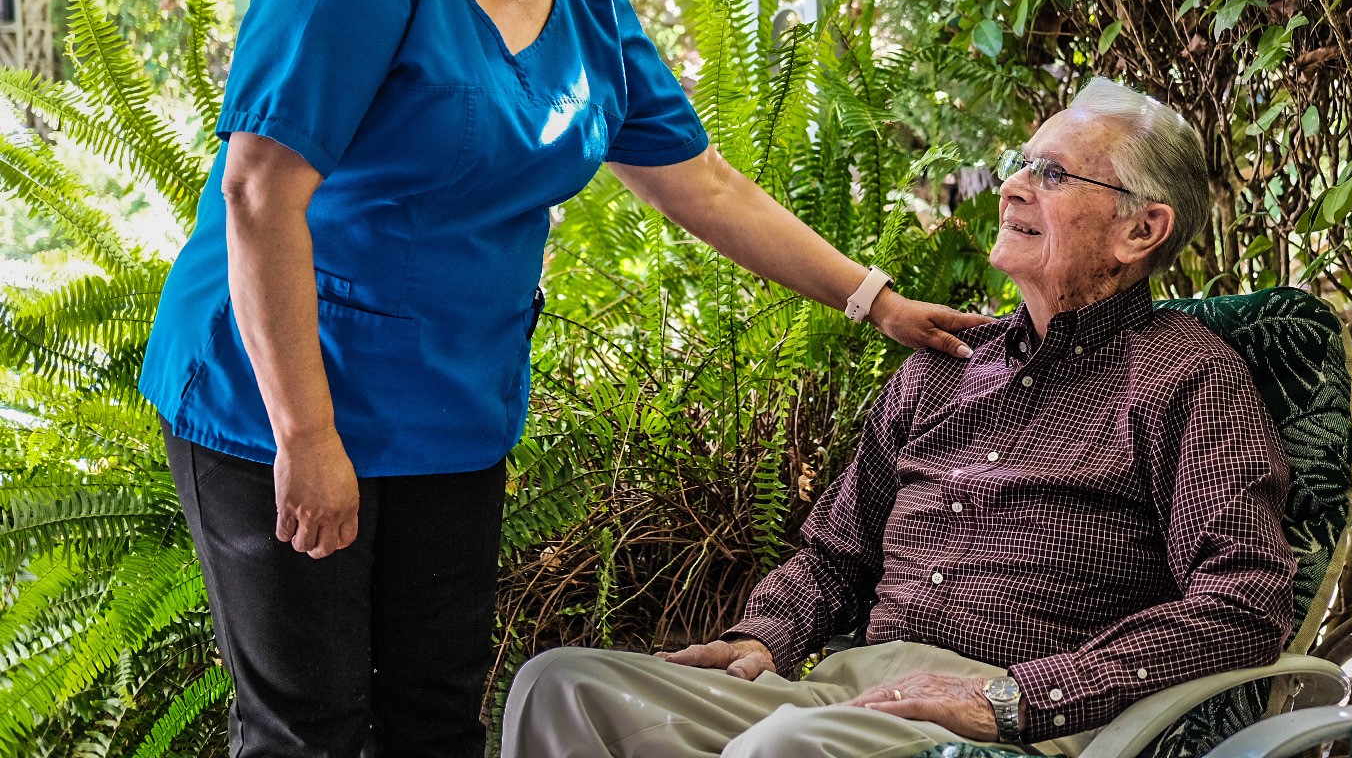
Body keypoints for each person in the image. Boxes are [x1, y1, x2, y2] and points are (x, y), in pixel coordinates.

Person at [138, 0, 990, 758]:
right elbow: (258, 192)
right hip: (284, 385)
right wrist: (305, 437)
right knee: (307, 724)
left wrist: (875, 298)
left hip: (453, 404)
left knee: (435, 715)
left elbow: (704, 181)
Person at [501, 77, 1297, 758]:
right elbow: (837, 551)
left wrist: (1015, 698)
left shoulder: (1190, 381)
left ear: (1140, 229)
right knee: (561, 687)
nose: (1014, 186)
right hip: (850, 692)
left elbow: (1243, 601)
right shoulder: (945, 368)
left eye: (1051, 175)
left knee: (779, 747)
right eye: (1021, 164)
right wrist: (764, 636)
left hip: (1006, 718)